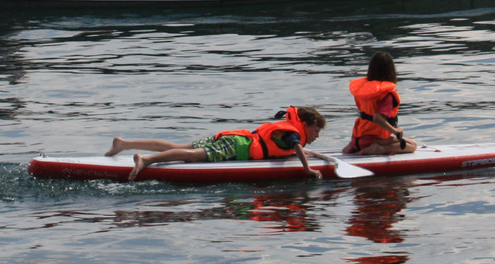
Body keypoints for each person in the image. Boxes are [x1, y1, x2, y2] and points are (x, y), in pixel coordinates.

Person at [105, 106, 328, 181]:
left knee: (178, 147)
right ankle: (145, 160)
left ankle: (124, 144)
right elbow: (295, 146)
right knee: (191, 157)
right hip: (236, 146)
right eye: (316, 130)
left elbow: (289, 148)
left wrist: (309, 154)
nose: (317, 135)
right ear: (306, 124)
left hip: (232, 138)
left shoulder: (288, 132)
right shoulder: (293, 135)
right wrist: (308, 169)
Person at [344, 51, 417, 155]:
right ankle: (379, 149)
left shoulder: (364, 90)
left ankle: (352, 146)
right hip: (371, 140)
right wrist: (395, 131)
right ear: (391, 71)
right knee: (412, 145)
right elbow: (377, 118)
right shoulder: (387, 94)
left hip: (356, 138)